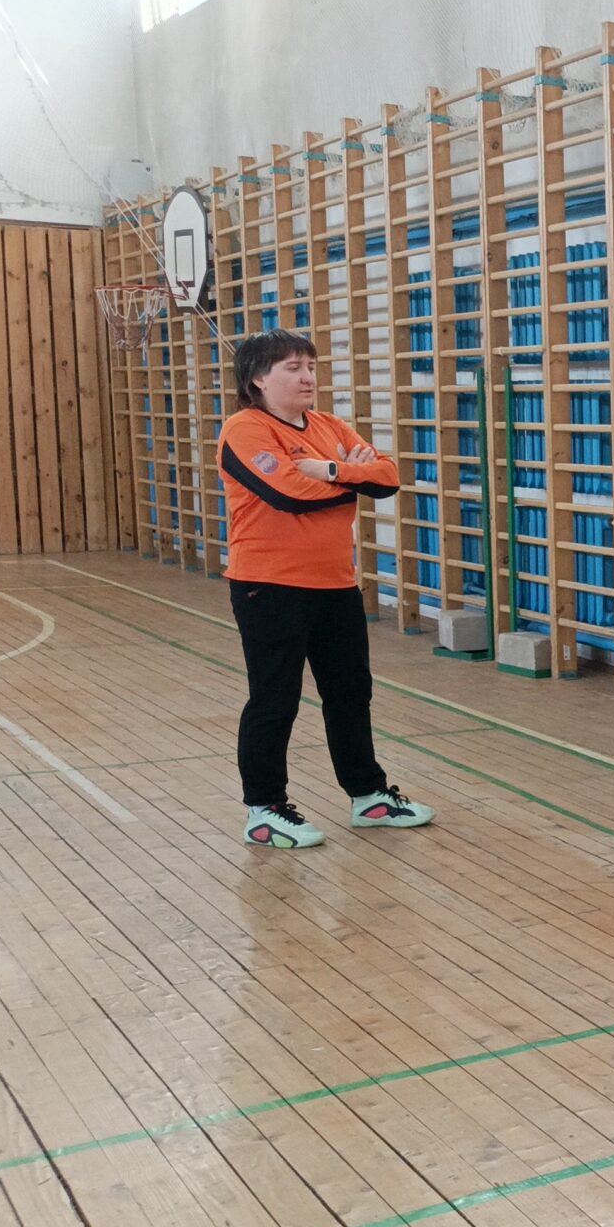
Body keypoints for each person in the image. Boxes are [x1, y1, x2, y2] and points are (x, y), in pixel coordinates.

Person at [217, 329, 431, 848]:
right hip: (269, 586)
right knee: (274, 699)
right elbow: (290, 493)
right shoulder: (244, 430)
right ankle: (264, 809)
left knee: (350, 693)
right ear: (257, 379)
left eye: (310, 366)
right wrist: (351, 480)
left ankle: (369, 795)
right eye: (292, 368)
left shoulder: (330, 427)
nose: (307, 377)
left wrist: (331, 468)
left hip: (335, 584)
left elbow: (387, 478)